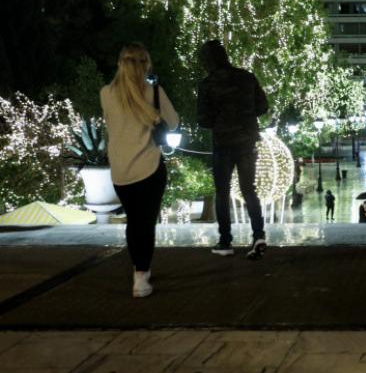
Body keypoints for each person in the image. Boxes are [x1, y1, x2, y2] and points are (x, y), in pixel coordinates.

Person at [100, 43, 179, 298]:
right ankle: (141, 276)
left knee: (133, 222)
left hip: (121, 170)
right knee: (146, 223)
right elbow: (174, 122)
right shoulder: (153, 92)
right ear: (145, 65)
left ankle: (139, 270)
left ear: (120, 64)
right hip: (149, 167)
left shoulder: (106, 94)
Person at [197, 39, 269, 260]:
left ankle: (225, 241)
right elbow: (263, 106)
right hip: (247, 141)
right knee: (250, 190)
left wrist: (220, 119)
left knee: (222, 193)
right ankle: (258, 235)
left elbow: (203, 120)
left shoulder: (207, 84)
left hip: (223, 143)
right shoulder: (247, 77)